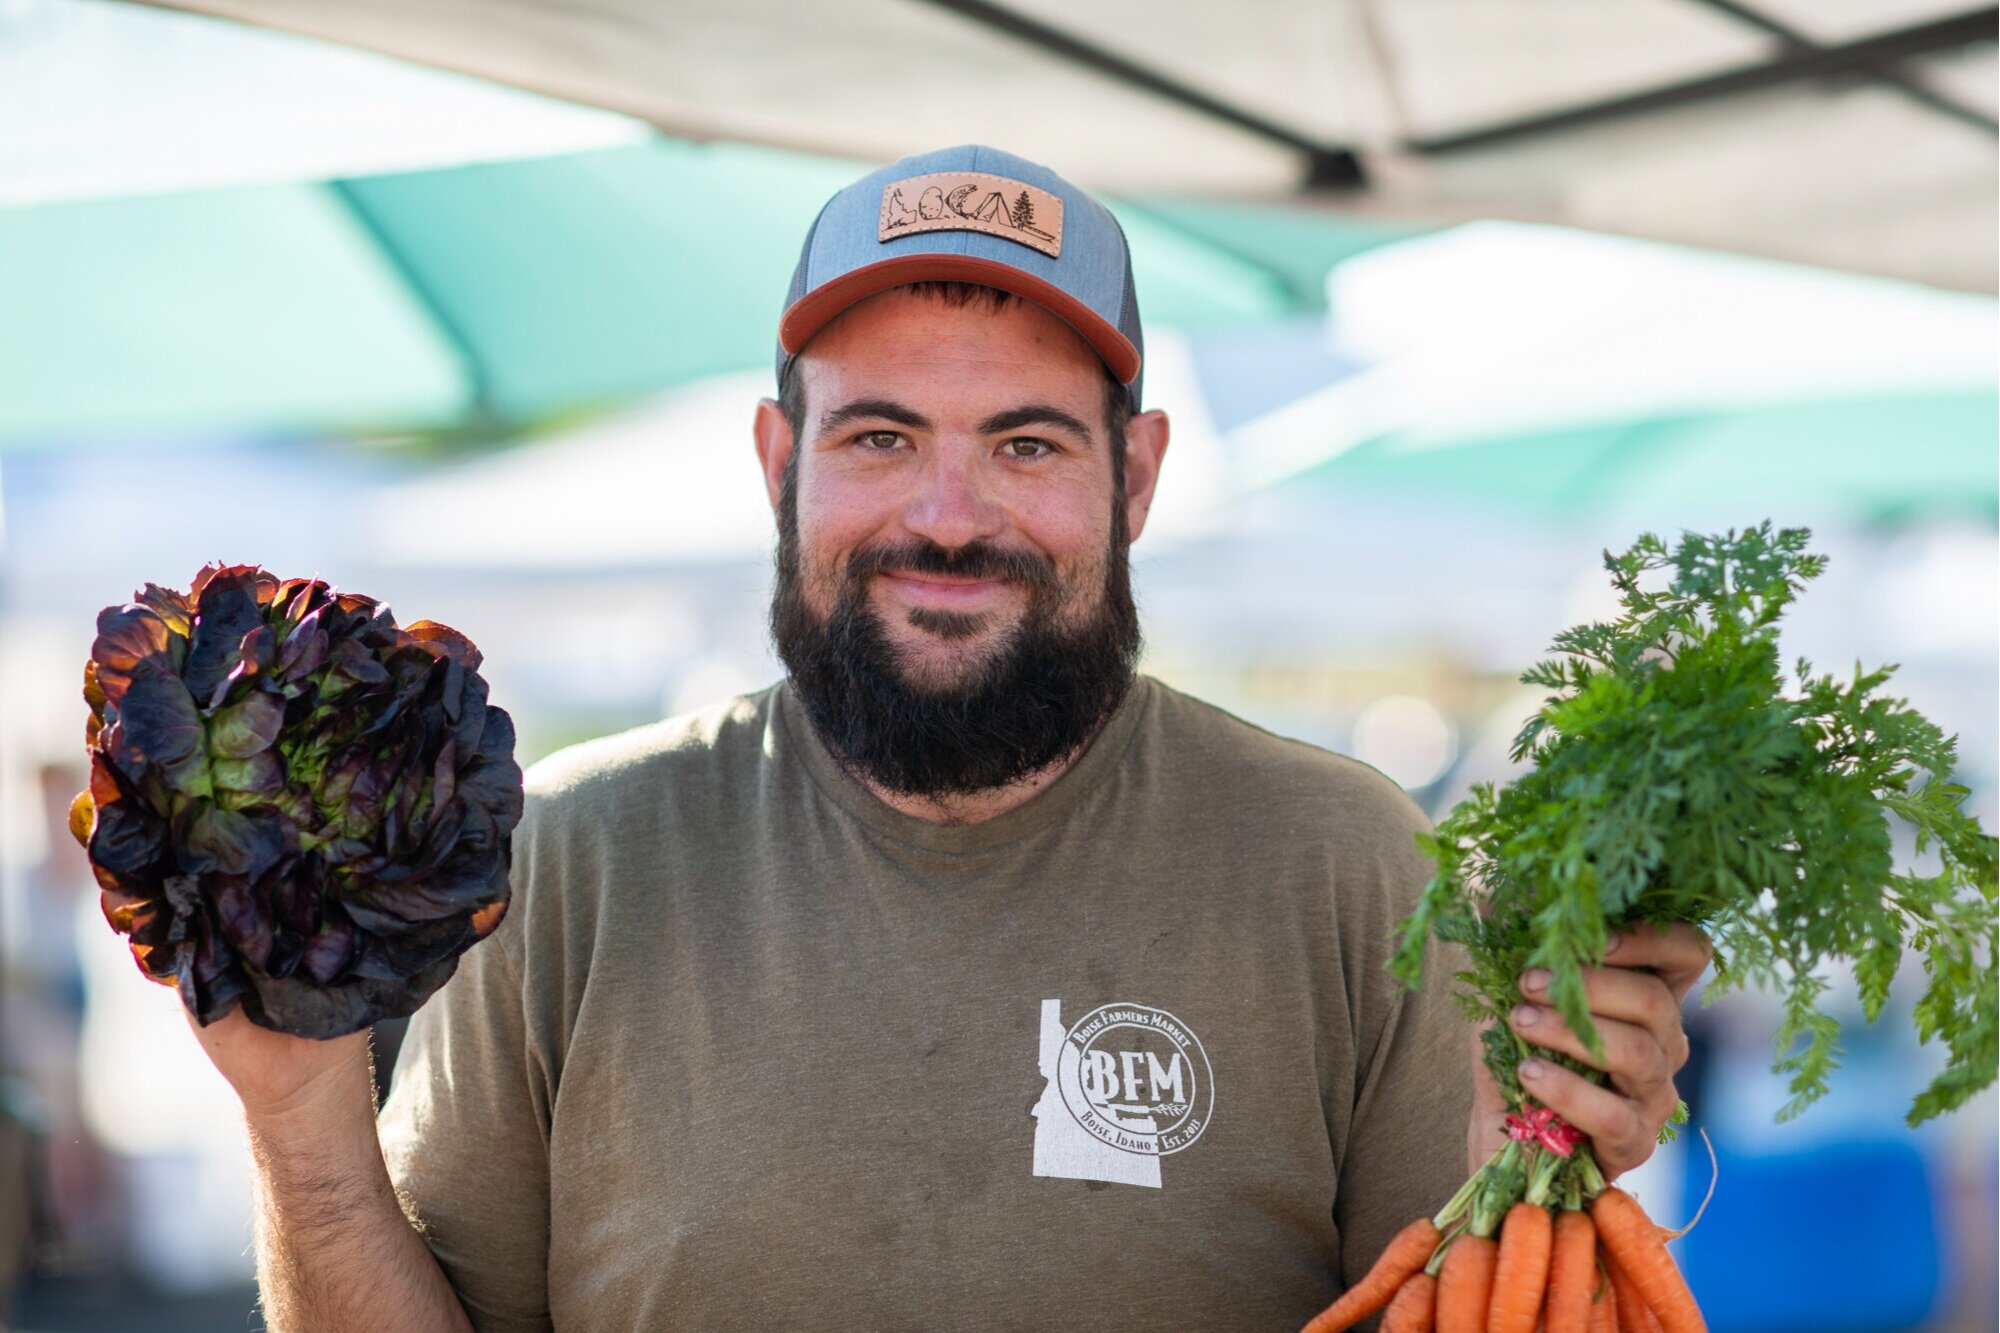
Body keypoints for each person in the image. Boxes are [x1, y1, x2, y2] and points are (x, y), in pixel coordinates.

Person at [188, 144, 1710, 1331]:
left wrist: (1550, 1141)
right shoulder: (571, 864)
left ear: (1140, 476)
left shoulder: (1345, 858)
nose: (946, 515)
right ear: (780, 459)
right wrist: (300, 1126)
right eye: (880, 435)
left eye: (1028, 443)